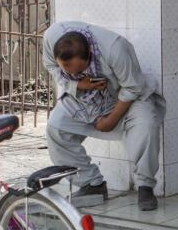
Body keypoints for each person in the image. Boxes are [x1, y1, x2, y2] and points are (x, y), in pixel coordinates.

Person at [42, 22, 166, 212]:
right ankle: (92, 185)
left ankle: (145, 186)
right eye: (67, 69)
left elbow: (133, 87)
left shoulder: (116, 49)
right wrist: (78, 85)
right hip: (83, 97)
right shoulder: (52, 38)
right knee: (56, 128)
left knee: (146, 125)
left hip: (124, 95)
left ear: (88, 56)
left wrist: (111, 120)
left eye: (76, 70)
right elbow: (52, 66)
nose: (72, 73)